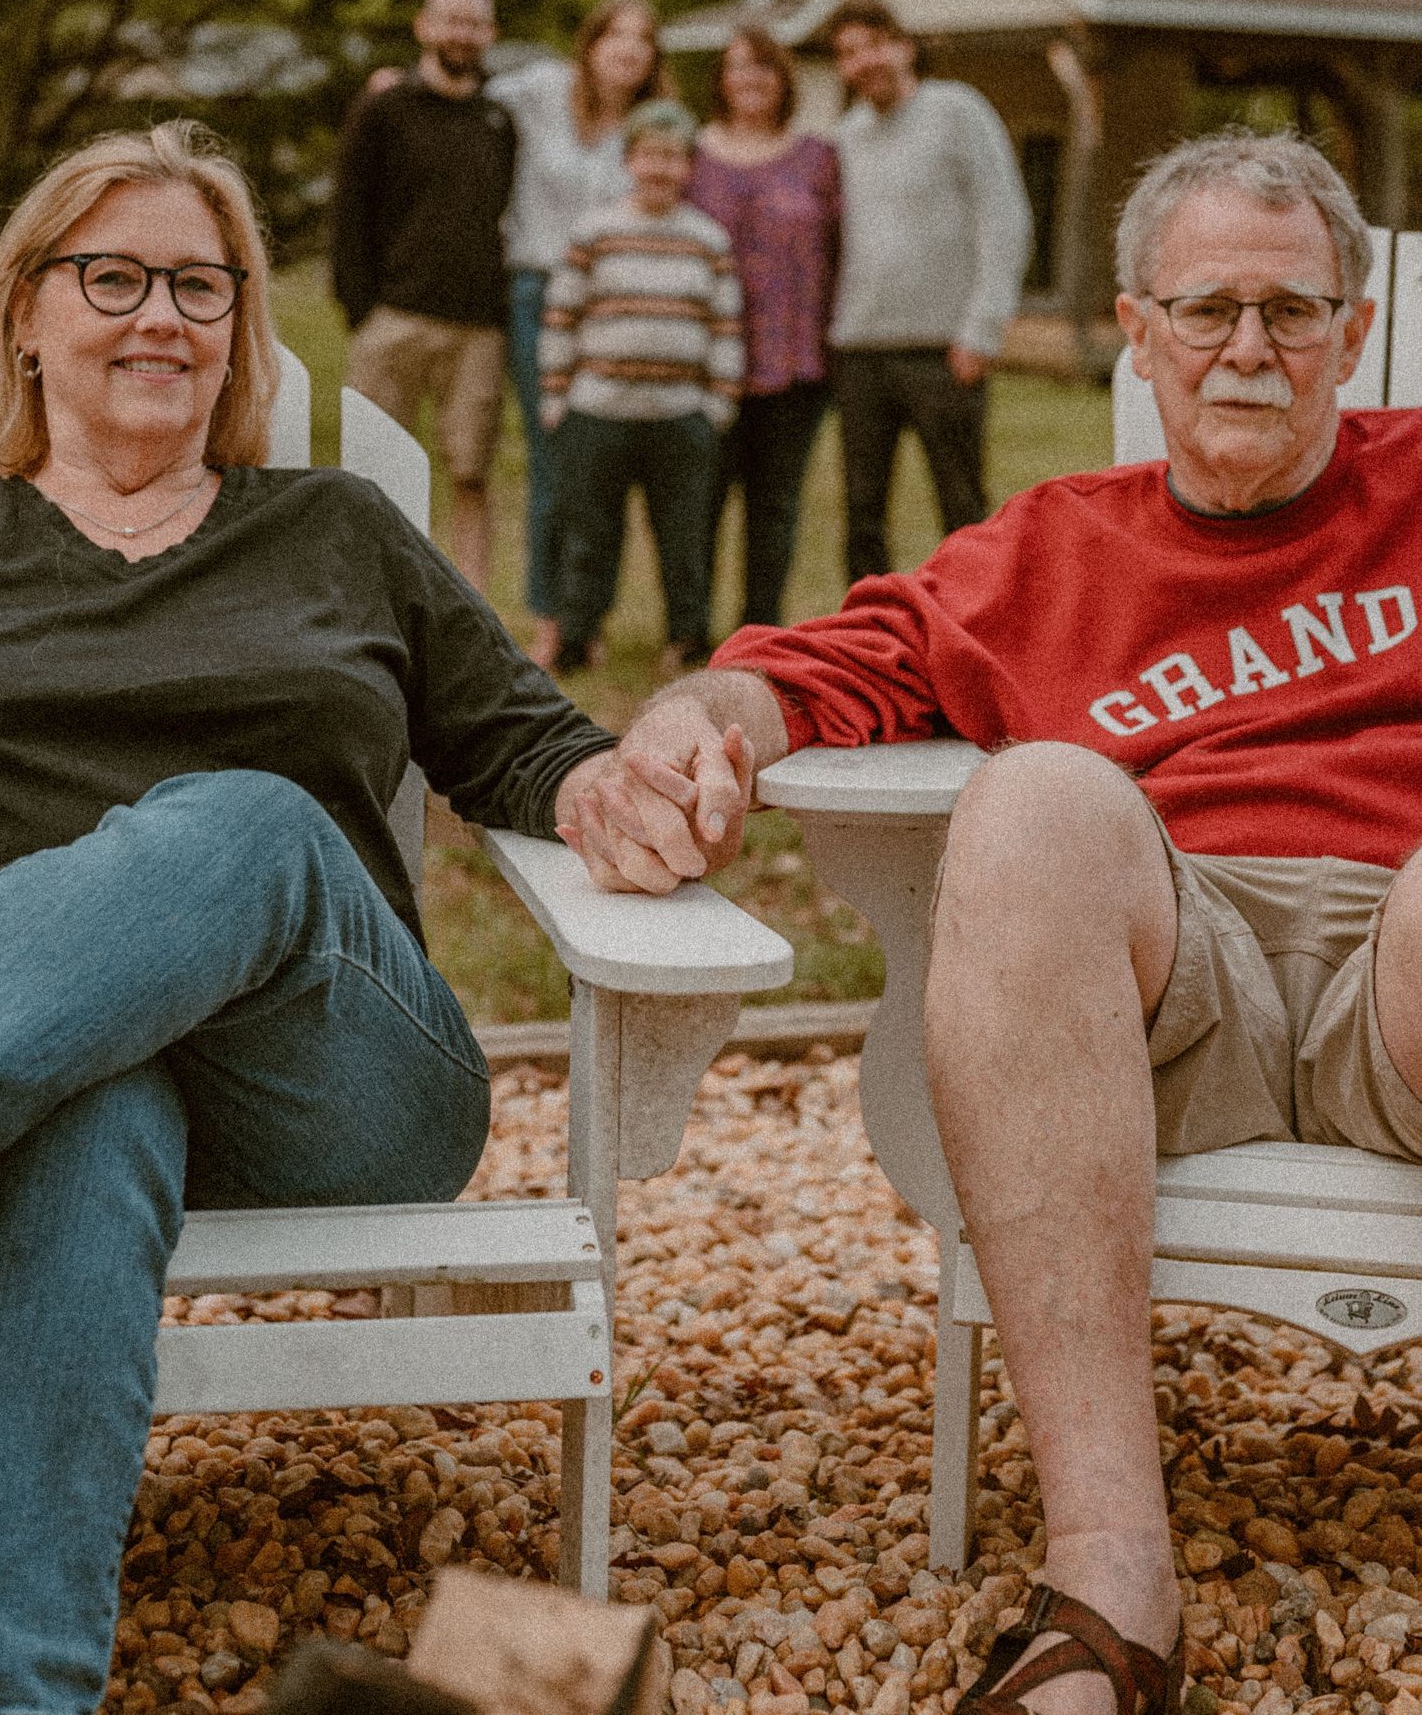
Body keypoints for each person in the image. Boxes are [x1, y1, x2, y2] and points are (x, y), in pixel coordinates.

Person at [558, 128, 1422, 1715]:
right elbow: (798, 671)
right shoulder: (1048, 551)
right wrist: (684, 728)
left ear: (1354, 334)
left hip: (1409, 968)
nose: (1249, 347)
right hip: (1176, 990)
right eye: (1208, 307)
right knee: (1030, 799)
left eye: (1292, 313)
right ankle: (1111, 1577)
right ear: (1136, 328)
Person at [0, 119, 636, 1715]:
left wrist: (607, 795)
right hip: (18, 1072)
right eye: (113, 275)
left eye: (202, 283)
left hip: (328, 1072)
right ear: (24, 313)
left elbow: (523, 738)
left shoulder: (333, 529)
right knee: (82, 1097)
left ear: (243, 325)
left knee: (243, 822)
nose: (160, 314)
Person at [488, 0, 668, 666]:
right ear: (588, 45)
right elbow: (463, 88)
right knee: (554, 459)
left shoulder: (650, 128)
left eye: (643, 39)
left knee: (604, 462)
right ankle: (548, 620)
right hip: (539, 292)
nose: (629, 49)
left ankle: (588, 619)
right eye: (615, 36)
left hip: (619, 303)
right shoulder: (539, 92)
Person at [827, 0, 1032, 571]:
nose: (863, 61)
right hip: (860, 349)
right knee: (862, 510)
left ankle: (974, 627)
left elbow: (1004, 216)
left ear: (902, 46)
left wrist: (984, 326)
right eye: (848, 53)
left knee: (960, 504)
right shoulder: (846, 137)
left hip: (944, 348)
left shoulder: (957, 111)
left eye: (873, 44)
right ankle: (864, 640)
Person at [539, 100, 743, 678]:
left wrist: (718, 405)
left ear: (688, 168)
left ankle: (687, 639)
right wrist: (556, 397)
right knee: (589, 534)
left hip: (680, 417)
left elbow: (725, 327)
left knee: (684, 537)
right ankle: (579, 638)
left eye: (672, 158)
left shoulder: (708, 240)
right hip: (597, 411)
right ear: (630, 160)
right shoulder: (594, 233)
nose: (659, 168)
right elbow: (561, 319)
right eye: (649, 155)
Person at [330, 0, 516, 593]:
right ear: (424, 26)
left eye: (475, 22)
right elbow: (349, 211)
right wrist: (361, 309)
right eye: (451, 20)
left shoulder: (498, 120)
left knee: (471, 474)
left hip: (477, 327)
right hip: (395, 318)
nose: (462, 34)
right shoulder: (383, 110)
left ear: (489, 34)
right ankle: (372, 596)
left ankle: (471, 607)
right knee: (375, 471)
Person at [689, 26, 842, 628]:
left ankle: (759, 627)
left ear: (783, 80)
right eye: (738, 68)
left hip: (795, 359)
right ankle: (691, 628)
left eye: (764, 68)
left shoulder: (818, 158)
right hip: (706, 358)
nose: (751, 79)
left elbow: (841, 249)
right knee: (700, 501)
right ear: (721, 80)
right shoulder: (691, 156)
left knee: (774, 504)